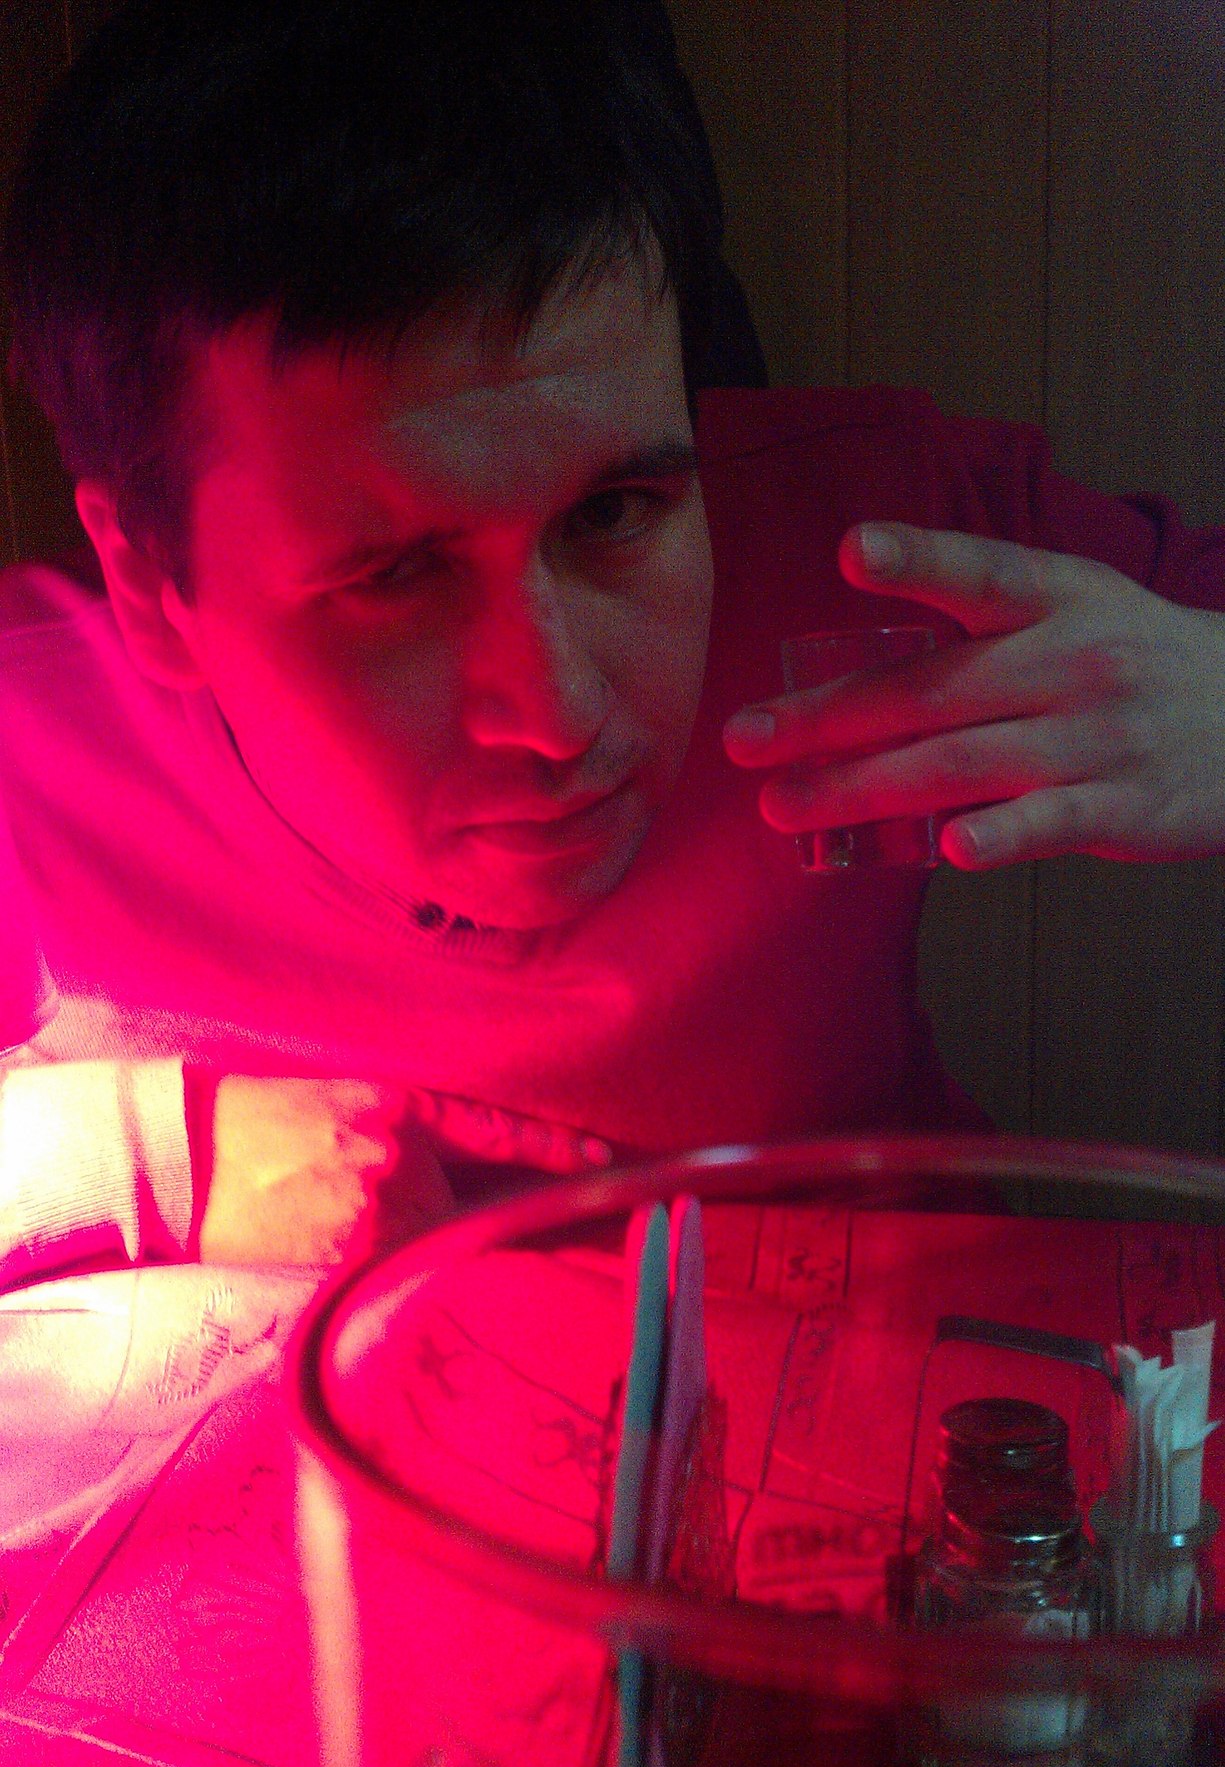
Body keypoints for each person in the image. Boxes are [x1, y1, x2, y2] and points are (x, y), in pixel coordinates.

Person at [3, 0, 1225, 1289]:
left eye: (613, 514)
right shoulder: (34, 749)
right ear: (152, 582)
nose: (561, 711)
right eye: (396, 575)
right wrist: (163, 1157)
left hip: (900, 1332)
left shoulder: (882, 548)